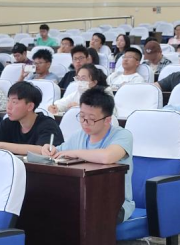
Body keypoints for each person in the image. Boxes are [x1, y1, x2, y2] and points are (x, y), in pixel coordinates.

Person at [41, 88, 134, 221]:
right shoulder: (79, 135)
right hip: (82, 197)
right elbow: (58, 152)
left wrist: (75, 153)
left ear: (107, 120)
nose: (85, 123)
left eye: (91, 119)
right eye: (82, 117)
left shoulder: (122, 135)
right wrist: (49, 150)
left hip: (115, 202)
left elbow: (107, 157)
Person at [0, 82, 62, 154]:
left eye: (14, 102)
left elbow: (42, 150)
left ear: (30, 106)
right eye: (8, 101)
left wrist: (2, 146)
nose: (8, 107)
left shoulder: (48, 125)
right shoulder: (9, 123)